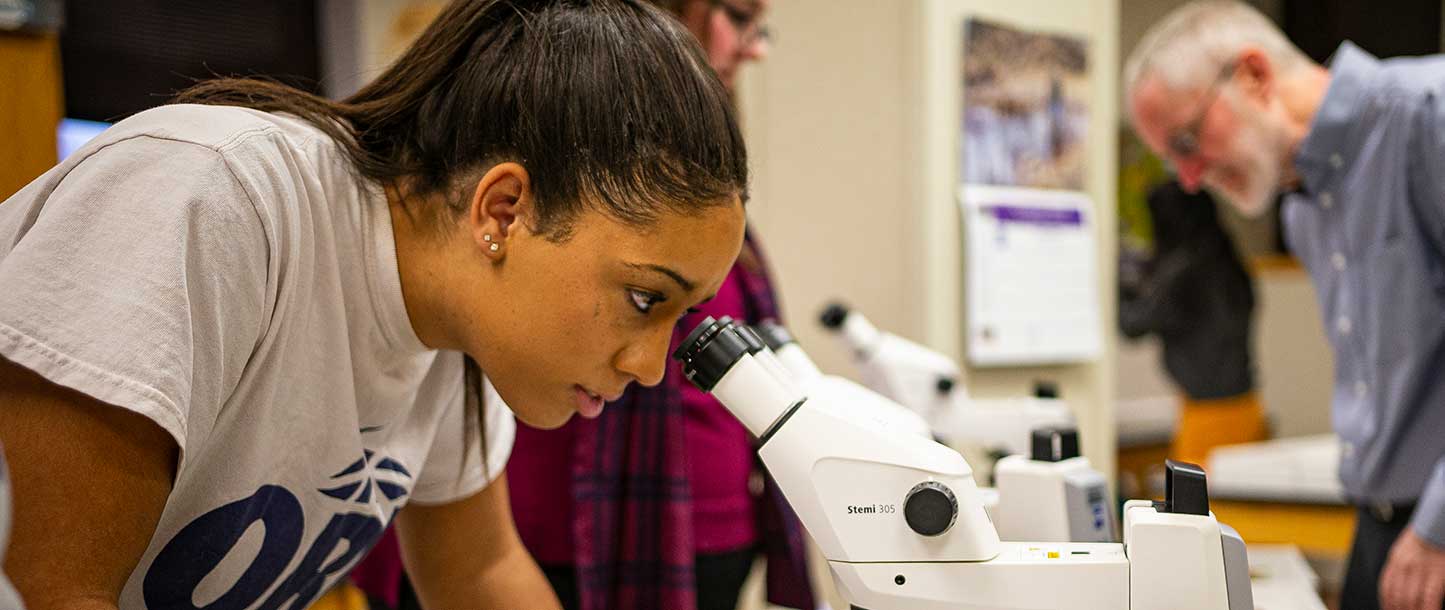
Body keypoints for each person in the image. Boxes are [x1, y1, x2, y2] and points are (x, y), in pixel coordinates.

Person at [0, 0, 750, 608]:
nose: (649, 367)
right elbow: (51, 589)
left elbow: (479, 575)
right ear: (502, 212)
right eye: (644, 297)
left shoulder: (461, 325)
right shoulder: (209, 197)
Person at [1125, 2, 1445, 609]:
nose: (1189, 179)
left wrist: (1437, 527)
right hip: (1381, 527)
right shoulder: (1303, 206)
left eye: (1188, 141)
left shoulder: (1428, 116)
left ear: (1253, 75)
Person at [507, 1, 815, 609]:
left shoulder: (719, 213)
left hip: (714, 530)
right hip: (563, 535)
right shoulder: (563, 162)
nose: (756, 48)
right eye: (737, 15)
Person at [1118, 180, 1265, 466]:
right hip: (1246, 407)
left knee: (1197, 509)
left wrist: (1116, 283)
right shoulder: (1228, 261)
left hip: (1209, 417)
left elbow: (1132, 324)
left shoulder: (1185, 271)